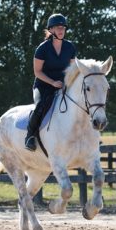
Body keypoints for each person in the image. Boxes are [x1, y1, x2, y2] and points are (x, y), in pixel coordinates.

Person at [25, 13, 76, 151]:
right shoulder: (42, 48)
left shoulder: (70, 47)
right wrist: (53, 83)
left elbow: (72, 69)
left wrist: (68, 83)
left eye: (63, 28)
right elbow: (38, 72)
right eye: (58, 28)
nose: (61, 30)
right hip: (43, 85)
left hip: (63, 85)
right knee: (40, 106)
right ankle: (30, 136)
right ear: (51, 30)